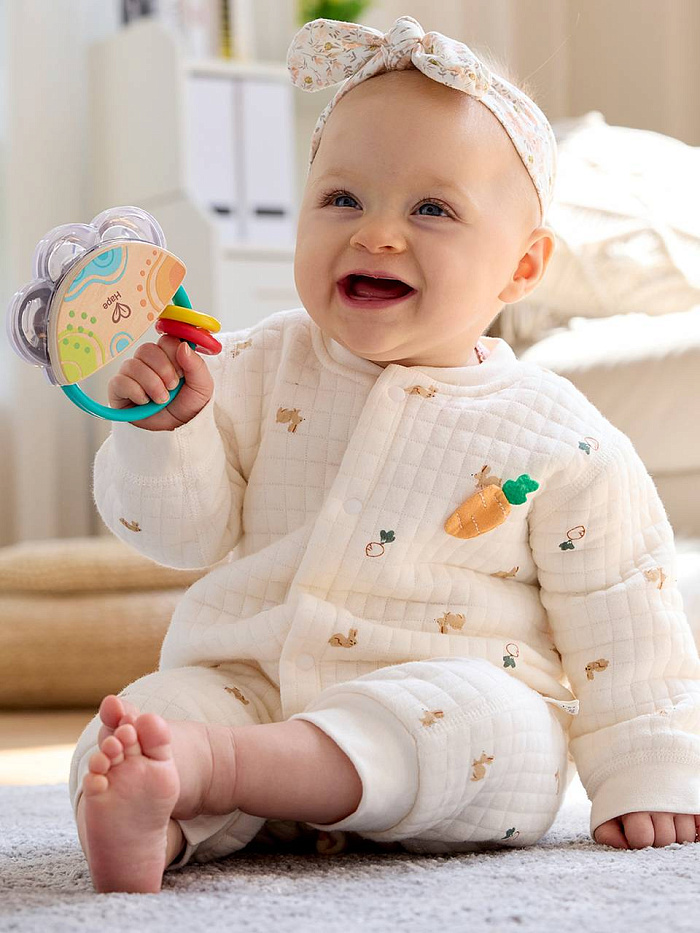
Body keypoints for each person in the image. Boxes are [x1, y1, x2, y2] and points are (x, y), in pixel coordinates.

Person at [68, 15, 700, 894]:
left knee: (505, 726)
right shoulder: (249, 367)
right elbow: (179, 539)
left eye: (431, 209)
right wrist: (164, 433)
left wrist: (648, 762)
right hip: (250, 687)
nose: (376, 235)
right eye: (342, 198)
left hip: (431, 715)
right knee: (139, 722)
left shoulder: (561, 432)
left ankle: (218, 772)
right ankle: (163, 808)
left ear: (522, 268)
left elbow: (623, 612)